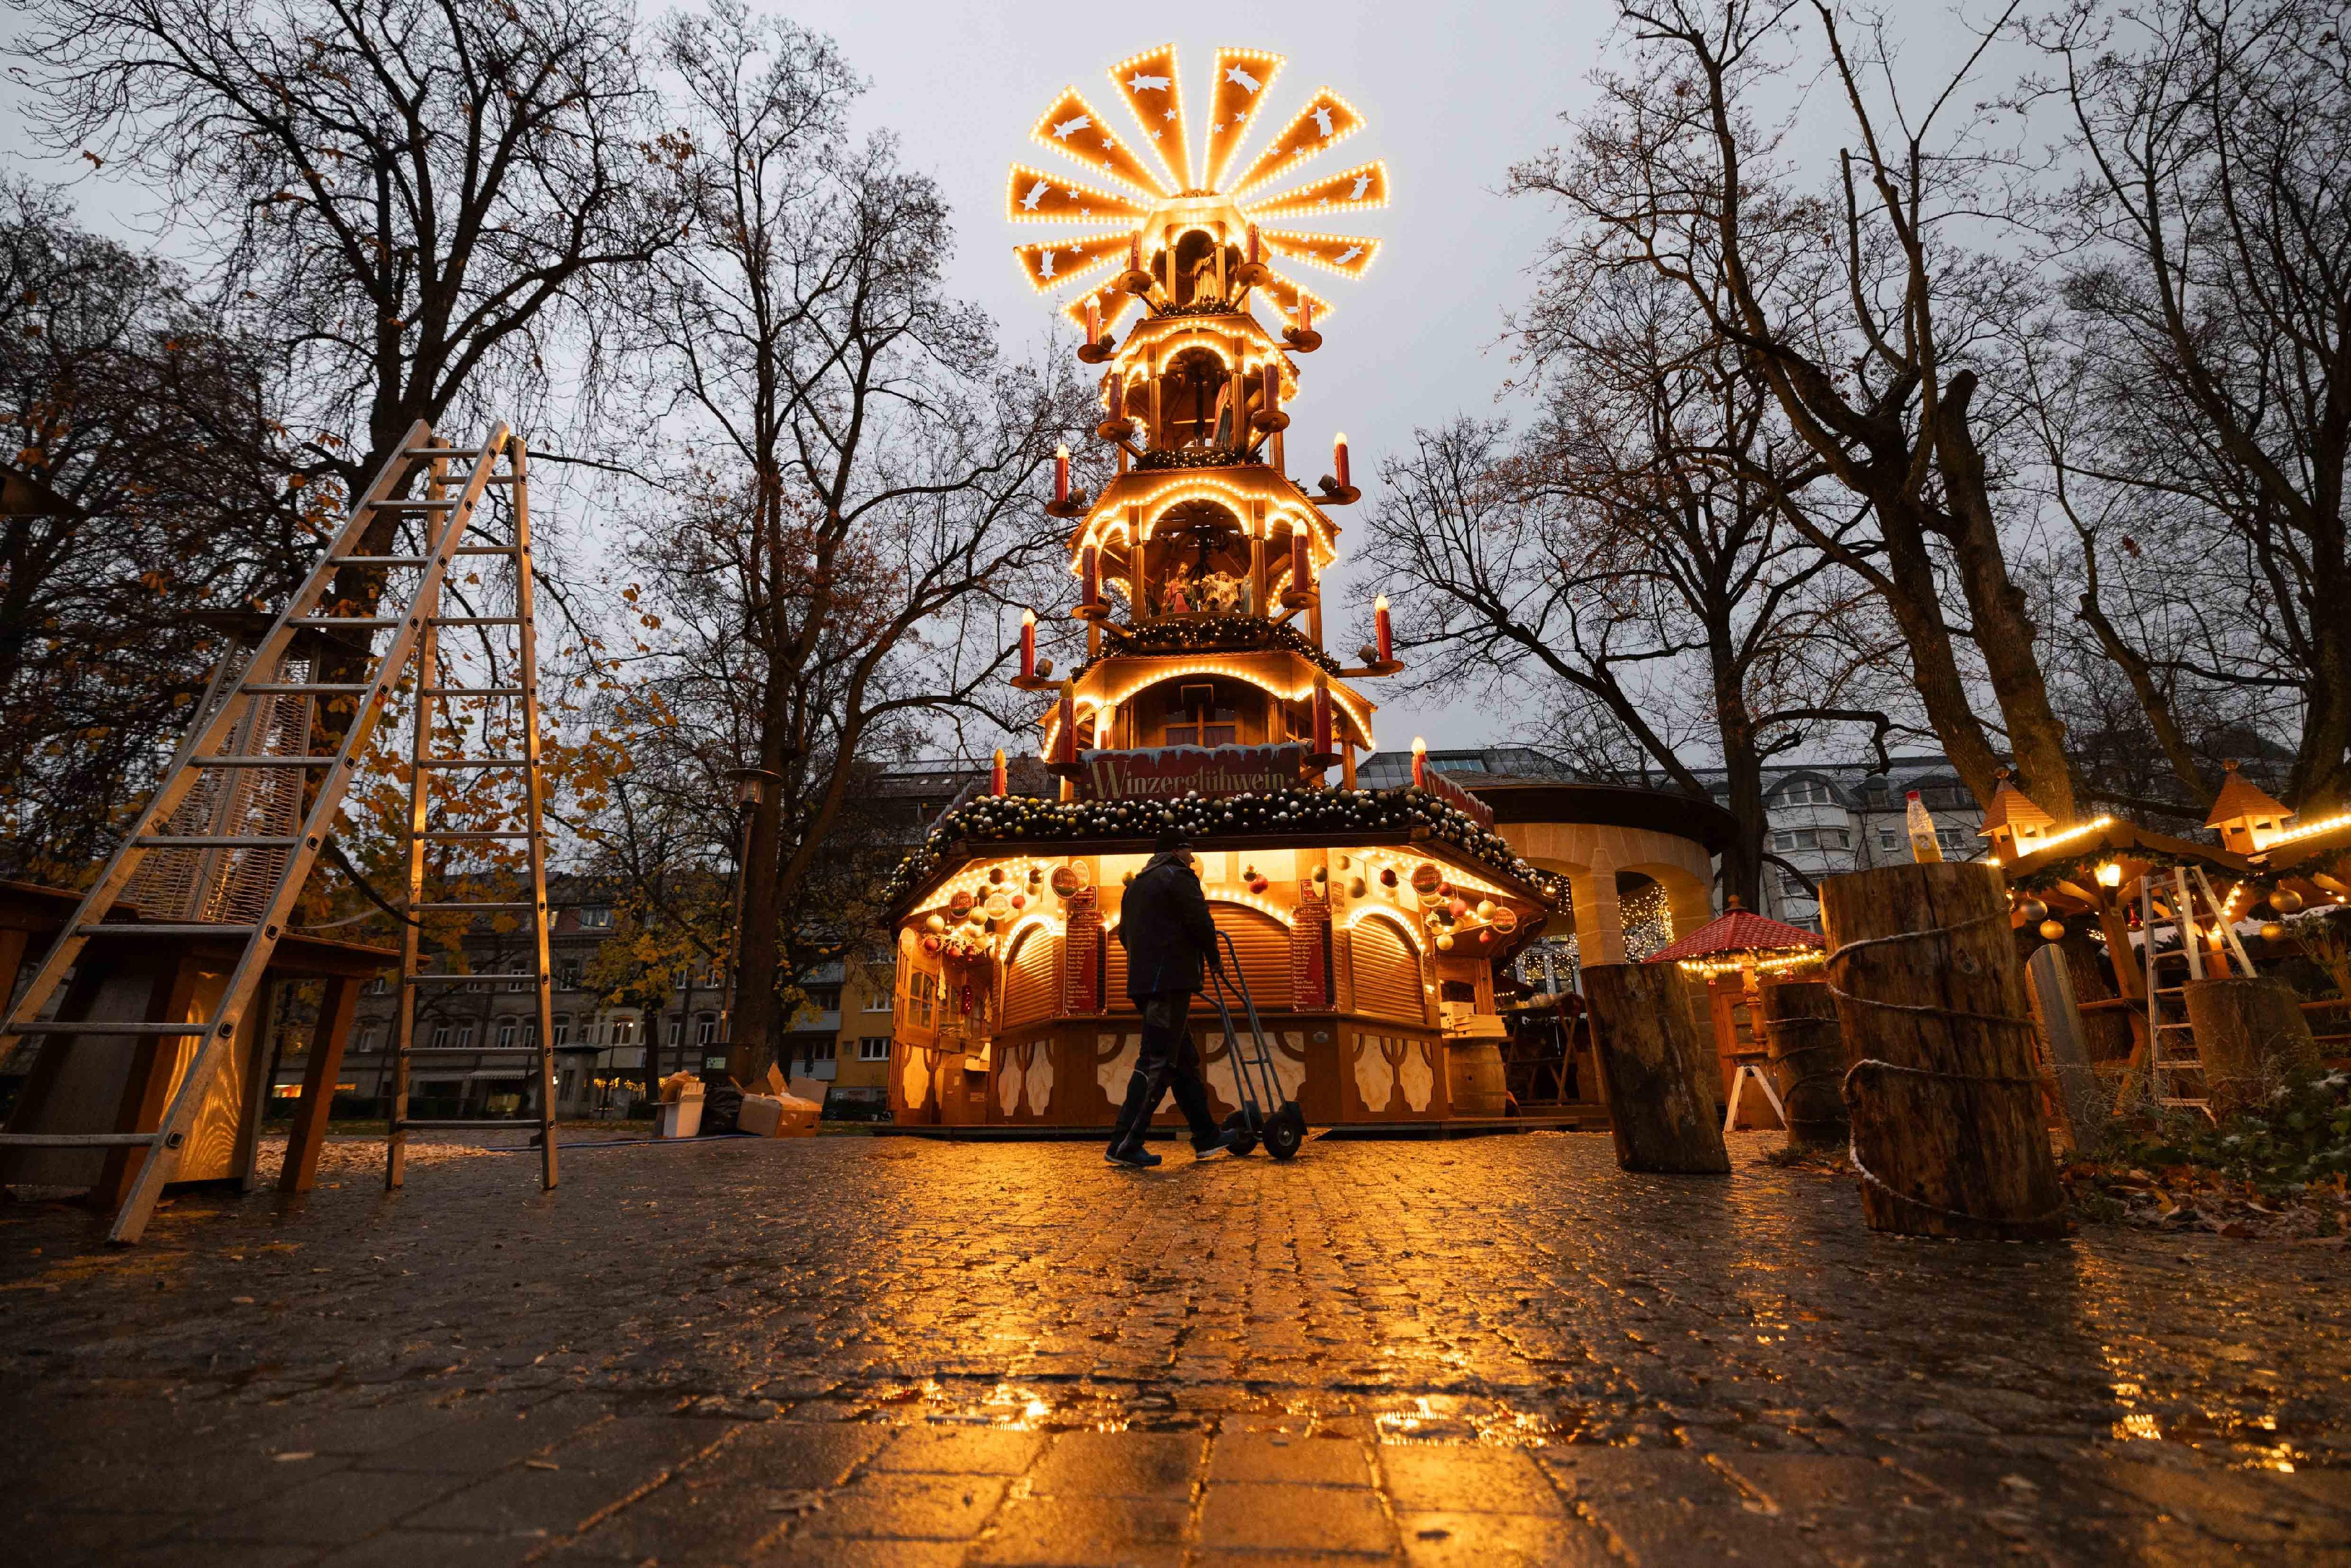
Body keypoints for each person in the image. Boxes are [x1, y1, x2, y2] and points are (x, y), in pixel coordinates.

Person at [1107, 825, 1241, 1167]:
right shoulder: (1178, 876)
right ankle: (1125, 1142)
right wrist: (1214, 959)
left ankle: (1206, 1135)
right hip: (1170, 983)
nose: (1193, 858)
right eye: (1189, 851)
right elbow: (1200, 921)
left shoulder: (1134, 887)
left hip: (1145, 984)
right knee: (1157, 1062)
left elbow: (1125, 936)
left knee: (1183, 1061)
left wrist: (1148, 963)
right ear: (1177, 851)